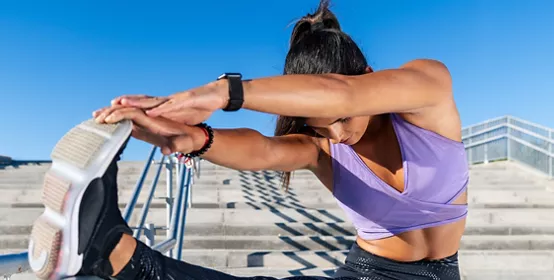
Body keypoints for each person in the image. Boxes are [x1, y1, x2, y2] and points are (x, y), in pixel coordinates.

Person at [28, 1, 468, 279]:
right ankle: (107, 248)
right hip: (371, 273)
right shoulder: (322, 148)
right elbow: (265, 151)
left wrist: (222, 92)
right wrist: (189, 138)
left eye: (340, 120)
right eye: (318, 126)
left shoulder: (428, 92)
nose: (336, 134)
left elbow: (343, 93)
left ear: (368, 78)